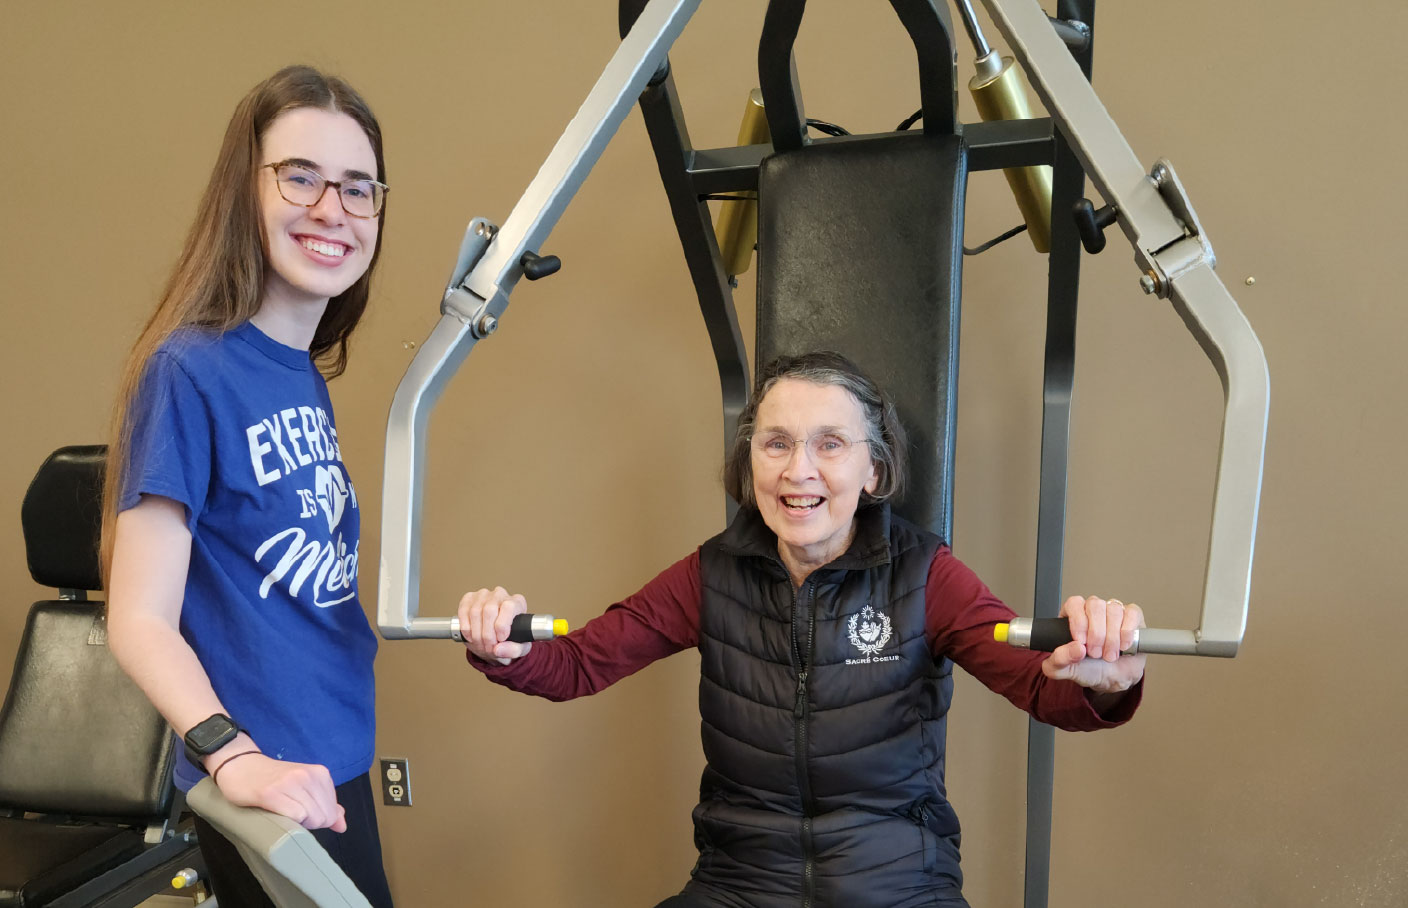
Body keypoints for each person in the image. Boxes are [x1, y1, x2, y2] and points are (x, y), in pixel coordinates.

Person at [459, 351, 1147, 908]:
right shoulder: (711, 574)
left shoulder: (926, 576)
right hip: (741, 881)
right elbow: (579, 664)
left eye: (830, 444)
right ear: (749, 460)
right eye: (777, 443)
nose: (799, 470)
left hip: (897, 880)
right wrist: (506, 649)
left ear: (873, 468)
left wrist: (1106, 681)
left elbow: (1042, 688)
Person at [101, 65, 394, 907]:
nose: (331, 209)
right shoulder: (190, 368)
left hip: (333, 756)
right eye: (300, 176)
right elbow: (139, 618)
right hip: (264, 775)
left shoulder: (299, 370)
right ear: (245, 188)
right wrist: (236, 756)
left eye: (357, 187)